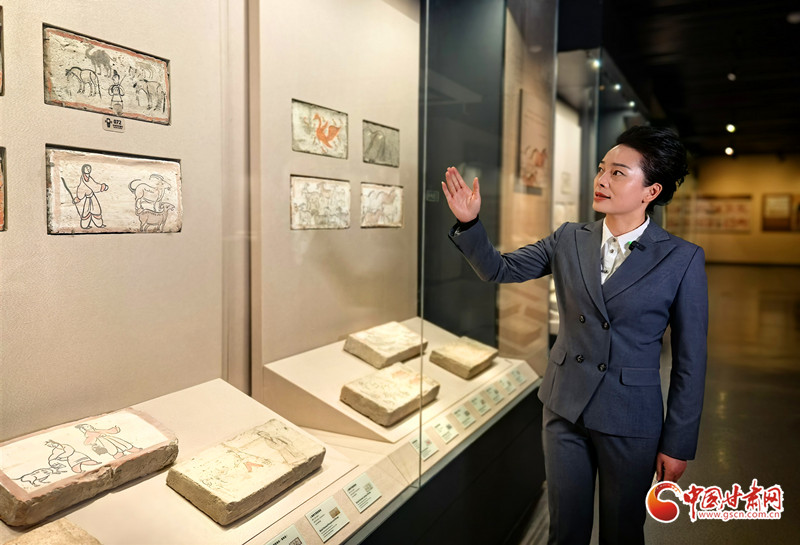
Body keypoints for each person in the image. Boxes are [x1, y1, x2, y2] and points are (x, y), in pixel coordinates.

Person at [442, 126, 707, 544]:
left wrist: (678, 443)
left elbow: (691, 362)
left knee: (622, 532)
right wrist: (469, 222)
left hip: (630, 417)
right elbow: (499, 269)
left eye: (618, 173)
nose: (602, 180)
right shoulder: (568, 238)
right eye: (602, 169)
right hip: (565, 408)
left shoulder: (681, 258)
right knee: (564, 530)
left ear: (651, 191)